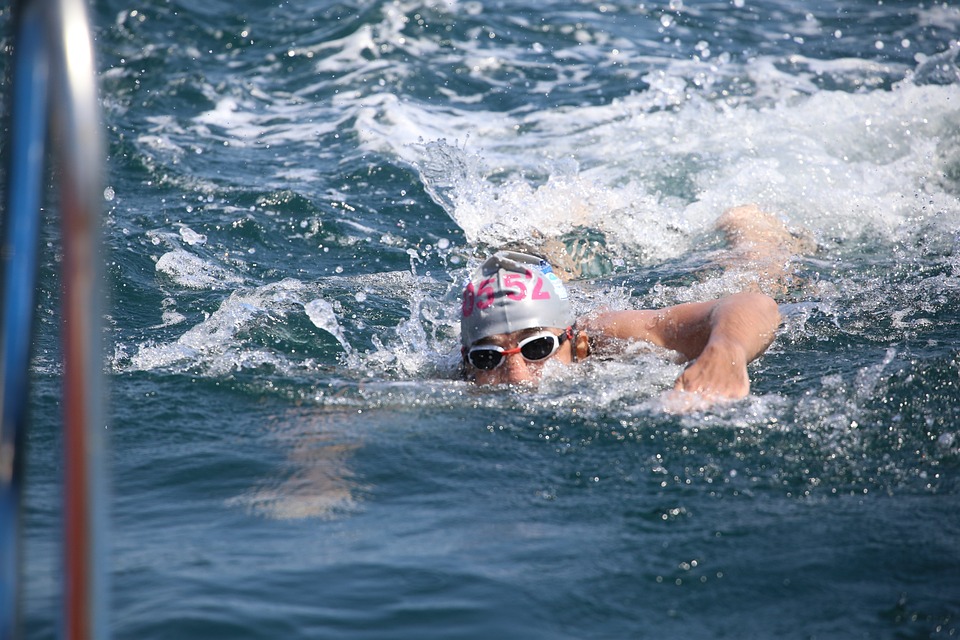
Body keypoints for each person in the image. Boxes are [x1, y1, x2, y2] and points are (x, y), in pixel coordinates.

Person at [459, 204, 809, 401]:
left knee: (758, 273)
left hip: (649, 301)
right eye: (488, 358)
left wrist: (726, 350)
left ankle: (749, 227)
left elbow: (756, 304)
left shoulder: (603, 335)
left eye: (538, 348)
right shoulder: (457, 379)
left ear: (575, 344)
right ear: (467, 363)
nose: (517, 377)